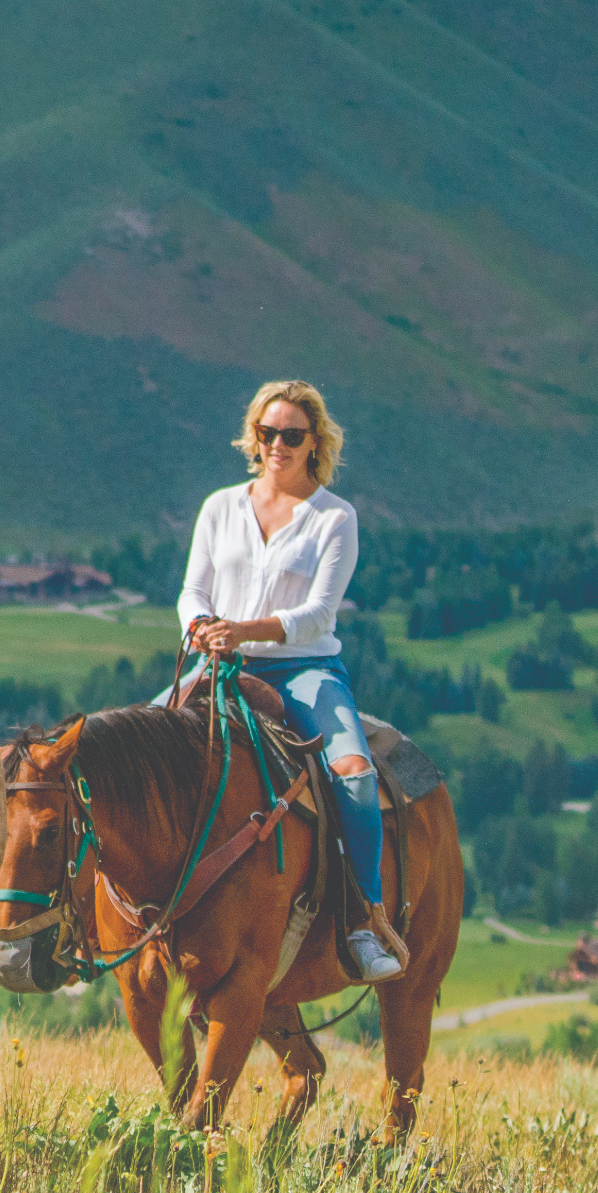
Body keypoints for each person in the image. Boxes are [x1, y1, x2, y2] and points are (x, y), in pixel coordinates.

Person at [176, 379, 406, 982]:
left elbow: (318, 617)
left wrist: (241, 628)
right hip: (220, 664)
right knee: (133, 747)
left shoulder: (336, 518)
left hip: (302, 669)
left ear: (314, 443)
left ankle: (362, 919)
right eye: (267, 432)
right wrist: (201, 626)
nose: (277, 443)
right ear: (254, 436)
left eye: (291, 435)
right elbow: (192, 589)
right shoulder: (220, 506)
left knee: (353, 770)